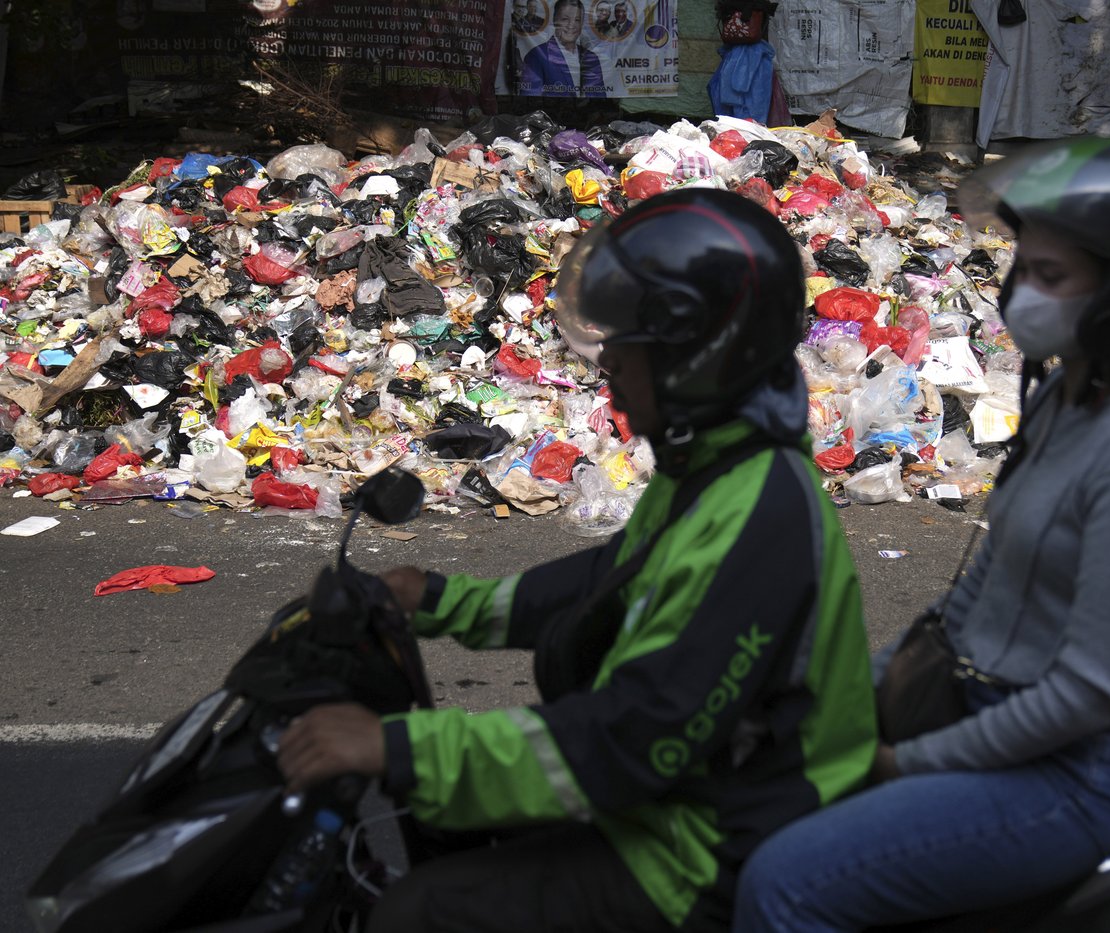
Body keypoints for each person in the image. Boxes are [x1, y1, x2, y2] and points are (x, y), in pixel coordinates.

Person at [276, 188, 878, 932]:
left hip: (712, 849)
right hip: (675, 804)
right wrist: (434, 599)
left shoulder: (763, 513)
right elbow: (609, 579)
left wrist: (395, 747)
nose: (608, 366)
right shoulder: (717, 465)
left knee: (416, 910)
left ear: (700, 354)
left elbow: (636, 736)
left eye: (631, 344)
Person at [733, 138, 1110, 931]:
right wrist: (849, 691)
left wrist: (899, 760)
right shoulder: (1067, 393)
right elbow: (977, 596)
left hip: (1073, 775)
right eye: (1023, 268)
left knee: (782, 884)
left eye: (1052, 276)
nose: (1022, 294)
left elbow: (1085, 694)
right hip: (976, 706)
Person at [518, 0, 606, 98]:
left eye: (577, 20)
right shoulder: (536, 56)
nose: (571, 25)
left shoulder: (591, 58)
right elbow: (530, 100)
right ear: (555, 21)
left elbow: (600, 99)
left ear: (582, 24)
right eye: (565, 19)